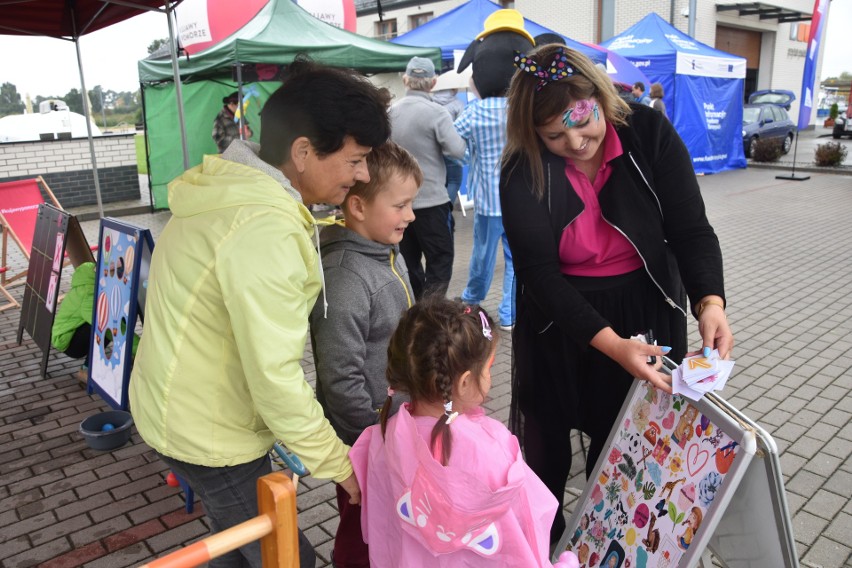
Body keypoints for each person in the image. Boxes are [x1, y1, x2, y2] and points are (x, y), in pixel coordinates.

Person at [129, 58, 391, 568]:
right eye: (356, 159)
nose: (362, 176)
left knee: (239, 538)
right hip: (207, 429)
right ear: (303, 152)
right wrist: (339, 465)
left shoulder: (233, 191)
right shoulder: (262, 227)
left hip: (180, 404)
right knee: (285, 554)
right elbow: (274, 377)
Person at [501, 44, 733, 544]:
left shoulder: (647, 133)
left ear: (599, 97)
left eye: (582, 122)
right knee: (544, 453)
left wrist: (710, 302)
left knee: (631, 448)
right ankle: (542, 548)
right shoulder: (522, 168)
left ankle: (617, 546)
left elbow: (691, 230)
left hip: (643, 310)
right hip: (559, 316)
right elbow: (539, 274)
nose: (575, 141)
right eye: (554, 136)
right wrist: (609, 344)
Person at [350, 297, 578, 567]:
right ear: (465, 381)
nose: (491, 378)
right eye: (489, 368)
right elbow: (519, 542)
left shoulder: (381, 437)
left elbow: (382, 524)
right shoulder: (490, 450)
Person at [308, 141, 422, 567]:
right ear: (357, 206)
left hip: (395, 427)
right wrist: (377, 437)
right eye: (401, 205)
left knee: (391, 521)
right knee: (362, 527)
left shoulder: (385, 253)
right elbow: (339, 379)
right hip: (368, 439)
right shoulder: (346, 277)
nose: (411, 215)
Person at [453, 9, 532, 331]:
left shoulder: (475, 113)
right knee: (516, 260)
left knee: (483, 256)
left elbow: (453, 145)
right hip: (522, 199)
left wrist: (469, 157)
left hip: (488, 200)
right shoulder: (522, 111)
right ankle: (510, 314)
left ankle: (471, 302)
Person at [390, 56, 466, 299]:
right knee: (440, 259)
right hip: (432, 202)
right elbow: (457, 150)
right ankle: (430, 312)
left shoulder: (390, 113)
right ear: (433, 83)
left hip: (398, 203)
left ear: (405, 80)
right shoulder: (437, 113)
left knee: (408, 261)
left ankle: (415, 312)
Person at [51, 262, 96, 383]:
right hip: (69, 344)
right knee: (103, 328)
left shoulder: (83, 286)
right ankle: (86, 370)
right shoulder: (89, 293)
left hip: (63, 335)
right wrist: (139, 348)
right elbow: (102, 325)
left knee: (104, 325)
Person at [431, 87, 465, 207]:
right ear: (453, 89)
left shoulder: (431, 103)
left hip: (434, 148)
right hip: (451, 147)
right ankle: (446, 209)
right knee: (454, 181)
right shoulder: (458, 104)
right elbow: (463, 130)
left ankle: (440, 210)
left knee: (442, 181)